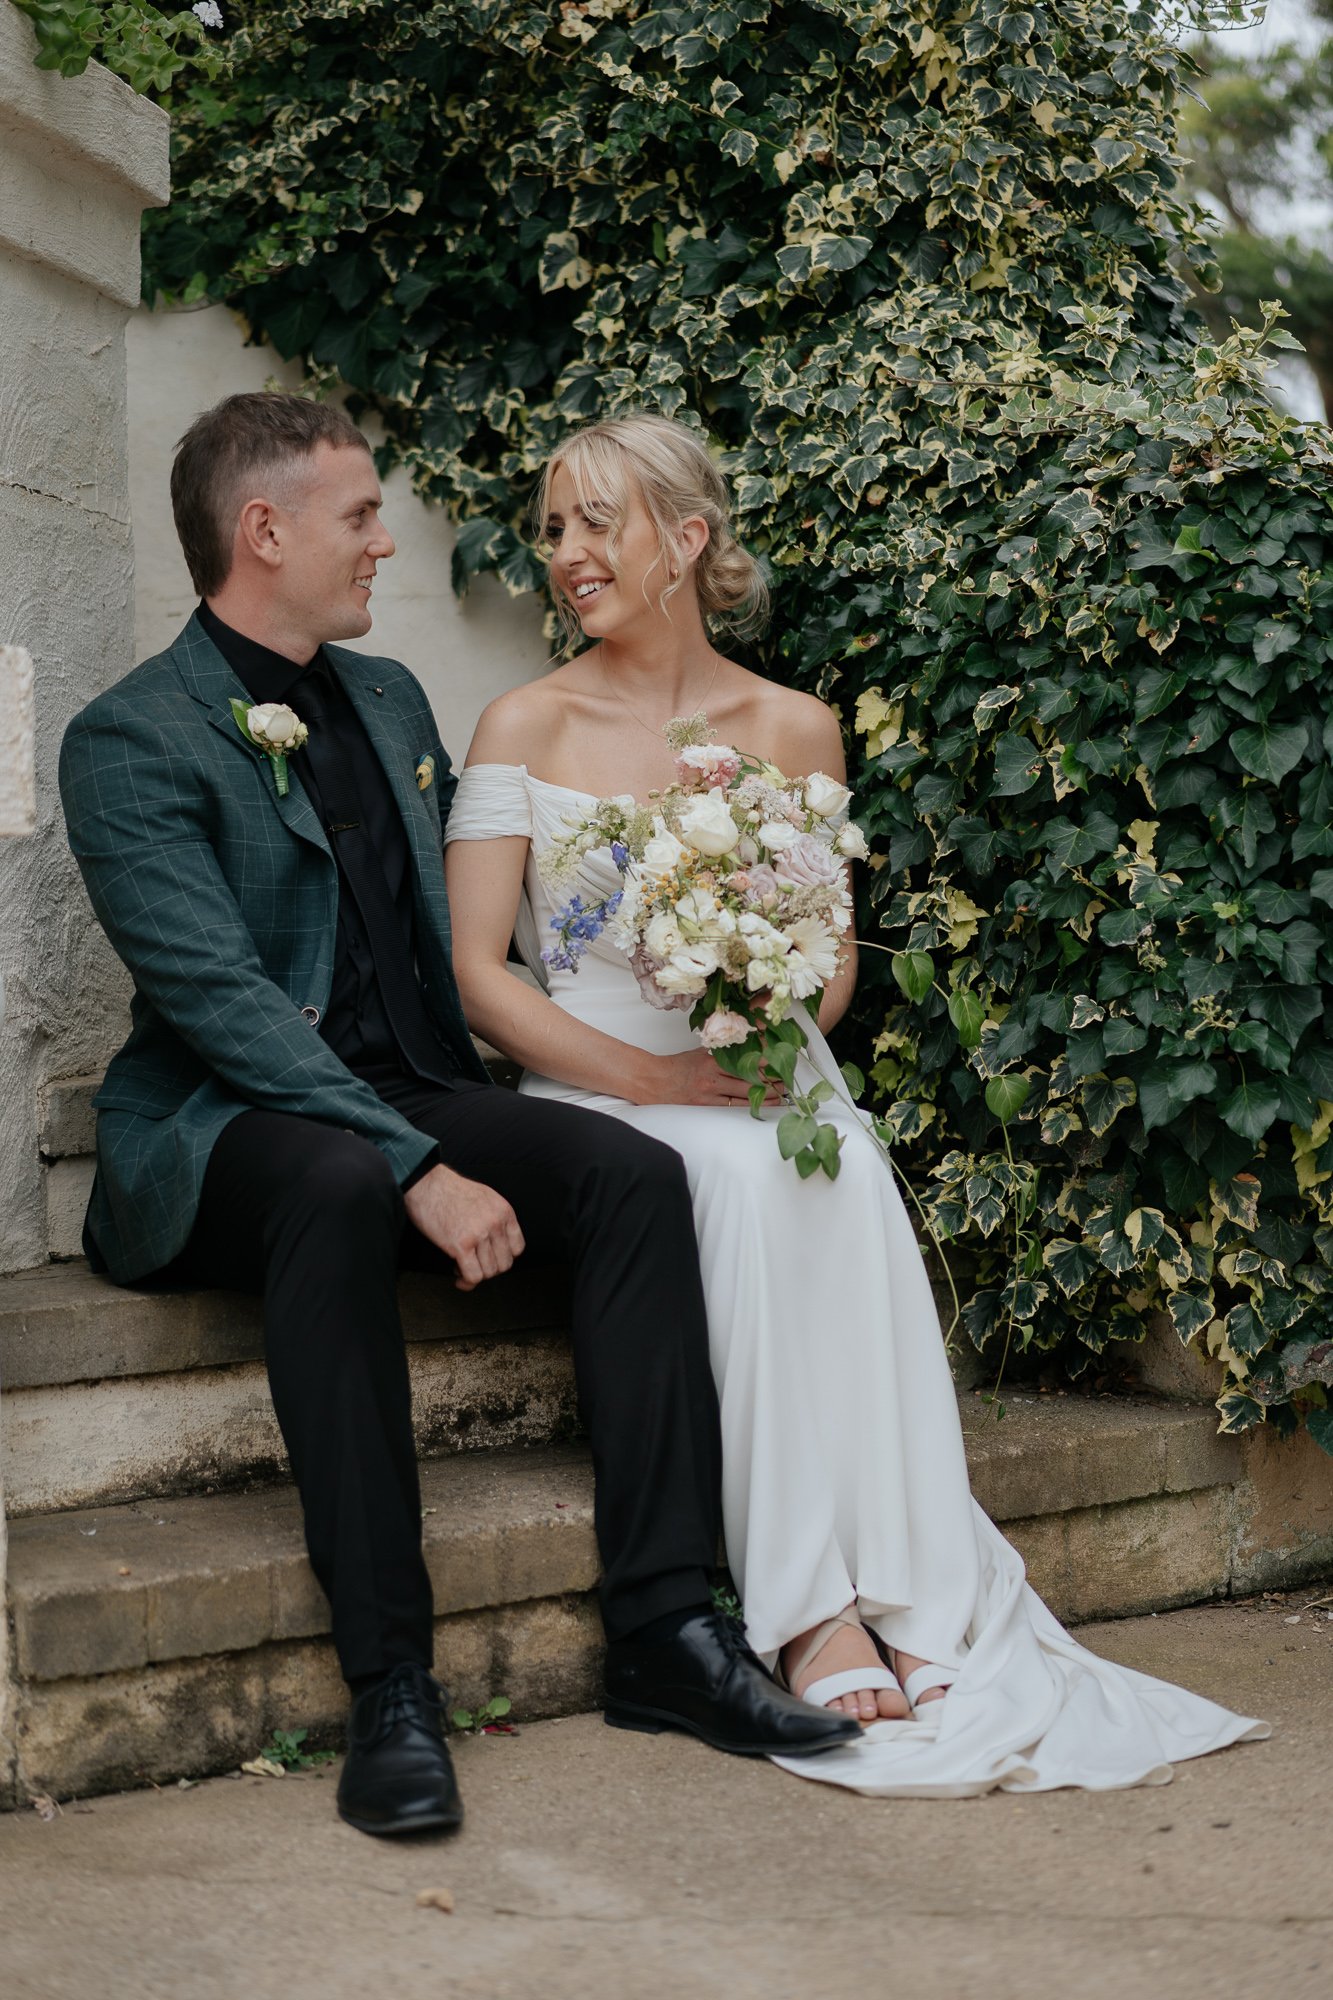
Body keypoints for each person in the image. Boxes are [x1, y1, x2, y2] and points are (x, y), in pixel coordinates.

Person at [58, 393, 860, 1840]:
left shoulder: (388, 703)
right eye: (360, 518)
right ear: (266, 532)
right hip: (223, 1131)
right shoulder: (128, 740)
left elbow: (470, 953)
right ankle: (392, 1690)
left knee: (625, 1175)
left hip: (416, 1083)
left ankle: (667, 1631)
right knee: (331, 1185)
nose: (382, 544)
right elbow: (226, 1012)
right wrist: (415, 1163)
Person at [443, 412, 1267, 1793]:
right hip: (596, 1075)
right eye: (551, 527)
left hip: (753, 1062)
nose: (566, 553)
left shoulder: (794, 725)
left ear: (685, 540)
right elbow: (478, 975)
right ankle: (805, 1609)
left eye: (597, 522)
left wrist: (772, 1028)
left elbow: (825, 969)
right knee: (744, 1183)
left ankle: (914, 1593)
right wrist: (655, 1072)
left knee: (830, 1165)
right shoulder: (522, 722)